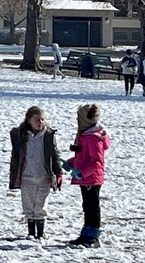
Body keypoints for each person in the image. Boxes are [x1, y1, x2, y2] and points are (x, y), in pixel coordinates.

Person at [8, 106, 63, 240]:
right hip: (26, 177)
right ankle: (31, 232)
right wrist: (14, 173)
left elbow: (54, 155)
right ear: (29, 120)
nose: (40, 122)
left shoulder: (48, 135)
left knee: (40, 206)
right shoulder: (22, 135)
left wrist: (58, 172)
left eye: (42, 119)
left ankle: (40, 233)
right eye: (37, 120)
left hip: (44, 177)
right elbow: (16, 156)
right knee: (28, 206)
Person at [65, 103, 110, 248]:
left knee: (92, 206)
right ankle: (86, 233)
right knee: (87, 206)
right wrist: (71, 163)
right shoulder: (86, 135)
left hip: (91, 178)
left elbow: (96, 162)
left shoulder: (92, 138)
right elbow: (84, 157)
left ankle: (93, 235)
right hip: (86, 178)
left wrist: (82, 173)